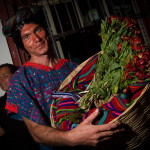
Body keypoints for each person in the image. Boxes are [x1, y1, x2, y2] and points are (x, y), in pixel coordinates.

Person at [2, 6, 124, 150]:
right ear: (22, 45)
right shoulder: (21, 80)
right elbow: (36, 132)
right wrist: (72, 138)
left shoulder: (72, 67)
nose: (36, 39)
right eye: (27, 37)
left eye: (38, 30)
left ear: (46, 31)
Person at [0, 63, 39, 149]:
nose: (1, 81)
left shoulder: (30, 95)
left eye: (5, 76)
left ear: (15, 76)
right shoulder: (1, 102)